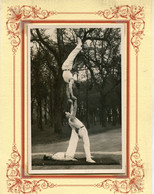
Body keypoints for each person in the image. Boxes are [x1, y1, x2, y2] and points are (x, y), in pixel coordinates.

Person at [65, 99, 96, 163]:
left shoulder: (70, 118)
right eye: (66, 113)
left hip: (79, 130)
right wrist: (75, 100)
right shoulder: (71, 118)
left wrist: (71, 104)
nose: (67, 112)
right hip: (82, 130)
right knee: (86, 143)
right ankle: (88, 158)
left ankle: (70, 155)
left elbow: (72, 110)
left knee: (74, 142)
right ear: (67, 116)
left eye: (67, 112)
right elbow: (75, 109)